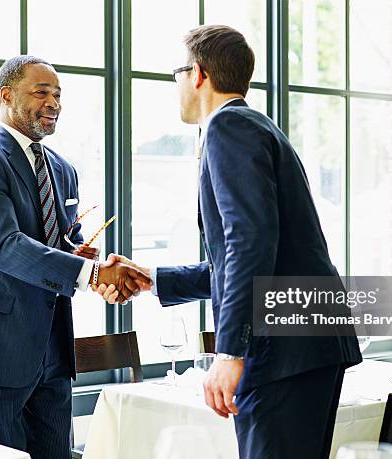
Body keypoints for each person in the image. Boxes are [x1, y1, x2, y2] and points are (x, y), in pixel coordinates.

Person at [98, 26, 362, 459]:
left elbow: (250, 244)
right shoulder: (257, 127)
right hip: (307, 338)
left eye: (177, 73)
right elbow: (251, 252)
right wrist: (154, 278)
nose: (176, 85)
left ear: (198, 73)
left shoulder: (227, 128)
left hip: (282, 349)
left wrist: (230, 352)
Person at [0, 55, 150, 459]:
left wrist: (77, 250)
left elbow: (59, 241)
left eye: (58, 94)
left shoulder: (64, 169)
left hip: (53, 348)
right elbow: (4, 246)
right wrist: (90, 272)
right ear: (6, 96)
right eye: (42, 92)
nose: (54, 102)